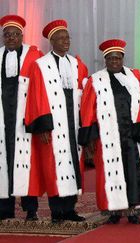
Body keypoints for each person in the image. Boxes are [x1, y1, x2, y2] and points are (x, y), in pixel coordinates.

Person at [78, 39, 140, 224]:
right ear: (105, 60)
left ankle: (133, 211)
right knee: (109, 174)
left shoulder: (134, 77)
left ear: (122, 58)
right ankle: (113, 212)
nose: (114, 62)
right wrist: (89, 139)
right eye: (111, 58)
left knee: (132, 172)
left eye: (118, 58)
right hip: (107, 135)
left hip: (131, 134)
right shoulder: (95, 80)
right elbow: (88, 109)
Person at [24, 19, 88, 223]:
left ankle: (70, 209)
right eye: (60, 38)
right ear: (52, 41)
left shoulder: (78, 64)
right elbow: (36, 96)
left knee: (73, 165)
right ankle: (56, 211)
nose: (65, 41)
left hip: (73, 122)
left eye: (67, 37)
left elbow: (84, 96)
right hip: (53, 124)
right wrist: (42, 126)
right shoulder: (40, 66)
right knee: (55, 167)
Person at [0, 15, 43, 221]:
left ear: (21, 36)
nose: (11, 38)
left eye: (15, 34)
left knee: (28, 164)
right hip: (2, 121)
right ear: (3, 37)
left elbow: (40, 90)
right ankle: (4, 209)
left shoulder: (33, 57)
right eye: (7, 35)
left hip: (24, 119)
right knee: (3, 164)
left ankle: (31, 208)